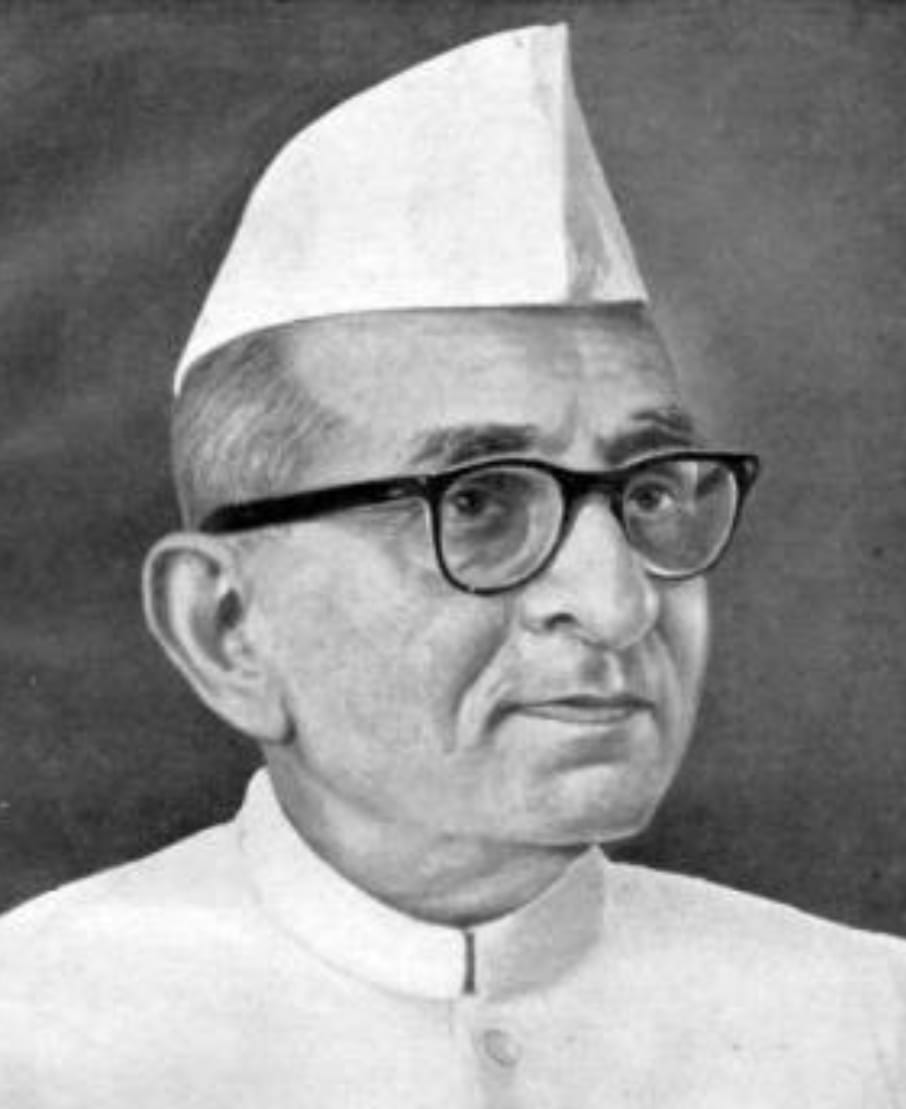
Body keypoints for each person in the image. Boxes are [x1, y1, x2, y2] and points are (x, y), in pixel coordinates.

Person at [1, 24, 904, 1108]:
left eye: (650, 494)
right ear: (227, 627)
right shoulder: (33, 1033)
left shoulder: (872, 1025)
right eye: (478, 503)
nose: (618, 604)